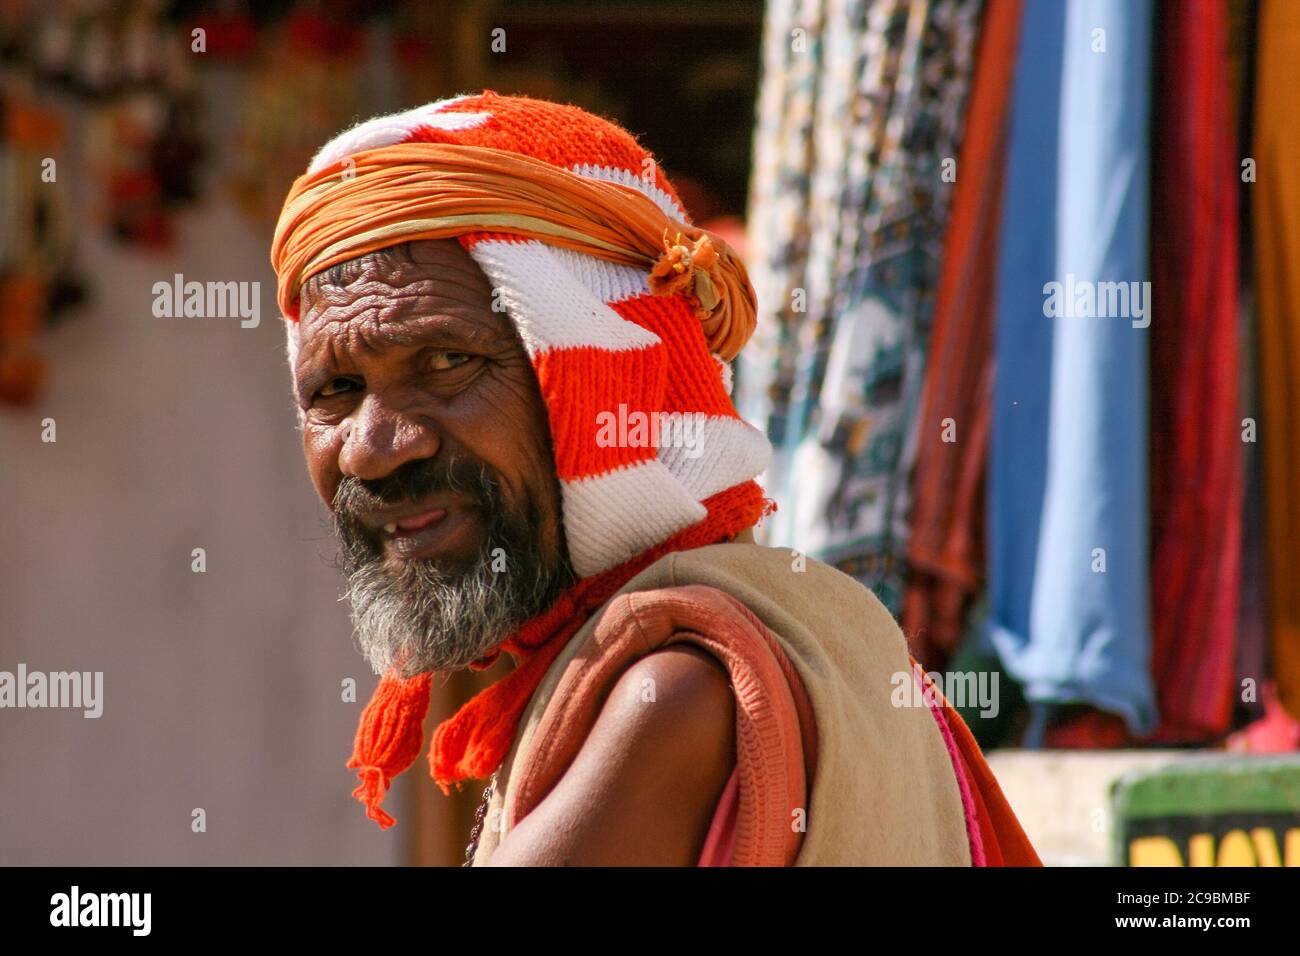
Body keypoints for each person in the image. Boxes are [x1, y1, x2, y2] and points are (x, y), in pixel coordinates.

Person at [270, 91, 1039, 866]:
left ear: (607, 380)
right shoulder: (813, 624)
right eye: (333, 392)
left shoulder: (671, 694)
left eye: (446, 362)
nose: (373, 448)